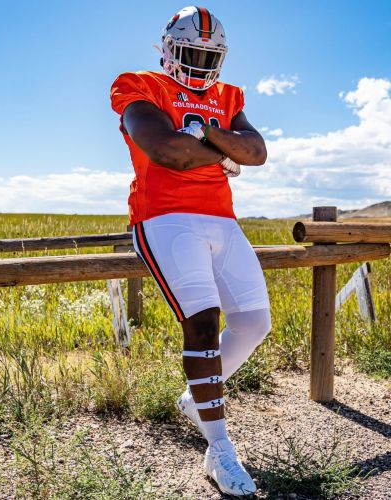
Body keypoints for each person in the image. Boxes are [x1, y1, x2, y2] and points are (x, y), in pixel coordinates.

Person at [110, 6, 271, 496]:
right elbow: (167, 152)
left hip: (222, 218)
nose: (199, 64)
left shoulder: (228, 95)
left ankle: (194, 398)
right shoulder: (139, 86)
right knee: (202, 324)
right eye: (190, 53)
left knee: (254, 323)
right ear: (168, 50)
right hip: (165, 217)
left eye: (208, 56)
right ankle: (219, 448)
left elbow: (257, 152)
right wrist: (225, 151)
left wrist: (204, 134)